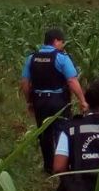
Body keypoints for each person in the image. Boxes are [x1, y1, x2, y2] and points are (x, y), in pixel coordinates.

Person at [20, 27, 88, 174]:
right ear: (56, 41)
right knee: (62, 132)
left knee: (44, 133)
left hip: (39, 100)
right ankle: (63, 166)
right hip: (58, 101)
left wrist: (29, 101)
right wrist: (82, 100)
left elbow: (25, 82)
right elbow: (72, 81)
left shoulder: (31, 58)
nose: (62, 45)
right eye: (62, 42)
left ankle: (49, 167)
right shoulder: (61, 58)